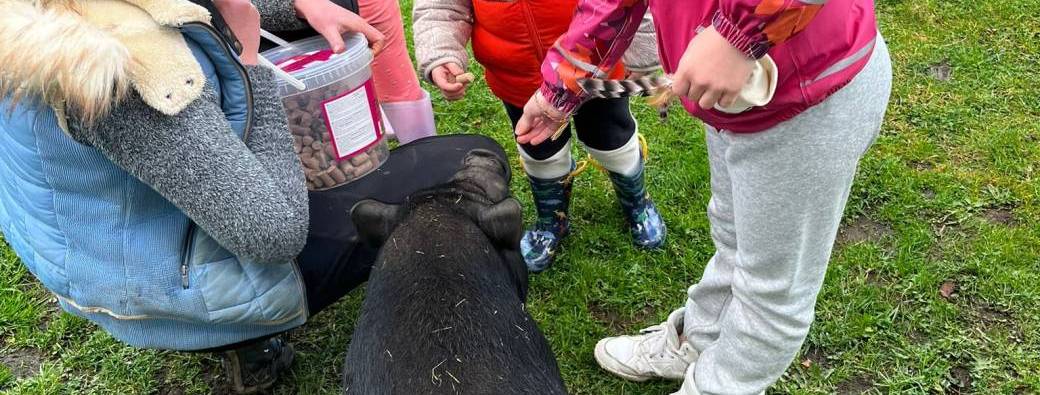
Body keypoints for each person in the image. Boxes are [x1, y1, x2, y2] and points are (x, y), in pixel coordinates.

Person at [0, 0, 509, 393]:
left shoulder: (46, 21)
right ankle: (258, 329)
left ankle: (246, 341)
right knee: (468, 161)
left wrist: (295, 7)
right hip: (170, 288)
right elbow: (272, 233)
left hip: (103, 252)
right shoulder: (121, 67)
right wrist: (250, 64)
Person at [512, 0, 892, 393]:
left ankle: (719, 384)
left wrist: (739, 35)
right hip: (737, 96)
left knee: (772, 292)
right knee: (733, 240)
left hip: (804, 95)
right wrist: (561, 88)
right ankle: (699, 341)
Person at [413, 0, 666, 272]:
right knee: (540, 150)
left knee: (611, 140)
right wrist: (441, 52)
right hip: (520, 78)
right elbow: (440, 5)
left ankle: (636, 202)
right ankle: (552, 220)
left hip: (594, 68)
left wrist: (643, 49)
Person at [257, 0, 437, 144]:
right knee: (321, 132)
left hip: (360, 7)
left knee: (395, 82)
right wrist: (294, 3)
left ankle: (423, 150)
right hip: (282, 35)